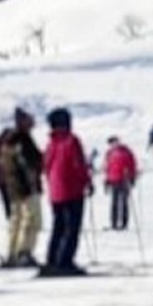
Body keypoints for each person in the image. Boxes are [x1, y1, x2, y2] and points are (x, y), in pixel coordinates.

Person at [41, 108, 91, 277]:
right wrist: (86, 182)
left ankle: (52, 259)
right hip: (72, 190)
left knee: (58, 227)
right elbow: (78, 165)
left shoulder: (51, 143)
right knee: (71, 228)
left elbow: (46, 166)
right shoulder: (71, 141)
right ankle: (64, 261)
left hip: (55, 192)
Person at [0, 108, 44, 268]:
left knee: (16, 221)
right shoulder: (22, 141)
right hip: (26, 188)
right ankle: (24, 252)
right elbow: (30, 164)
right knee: (31, 221)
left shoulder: (8, 141)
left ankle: (13, 252)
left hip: (14, 189)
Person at [104, 136, 138, 231]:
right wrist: (107, 180)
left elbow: (132, 164)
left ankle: (124, 222)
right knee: (114, 202)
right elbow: (107, 168)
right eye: (111, 143)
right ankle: (114, 223)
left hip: (124, 179)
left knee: (123, 202)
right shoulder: (109, 153)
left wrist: (132, 177)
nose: (113, 145)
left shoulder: (126, 152)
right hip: (113, 180)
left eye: (114, 142)